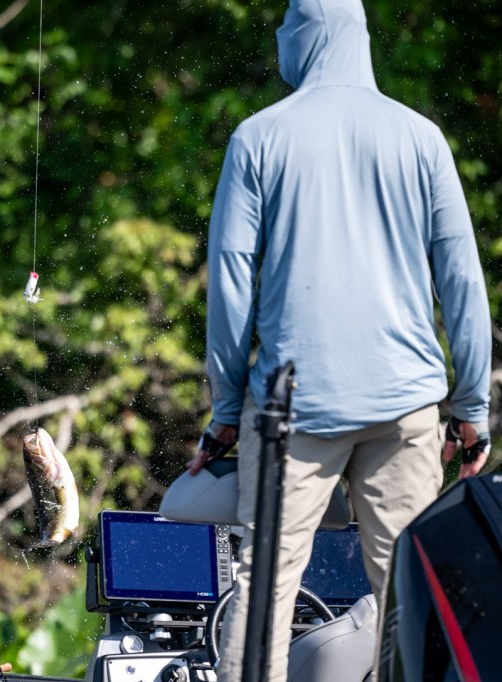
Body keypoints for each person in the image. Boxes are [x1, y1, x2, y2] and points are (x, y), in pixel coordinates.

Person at [187, 1, 492, 680]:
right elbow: (462, 281)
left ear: (303, 36)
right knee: (414, 594)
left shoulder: (258, 138)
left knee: (265, 590)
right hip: (406, 407)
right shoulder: (422, 139)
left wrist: (227, 408)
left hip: (293, 412)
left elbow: (231, 281)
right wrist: (471, 408)